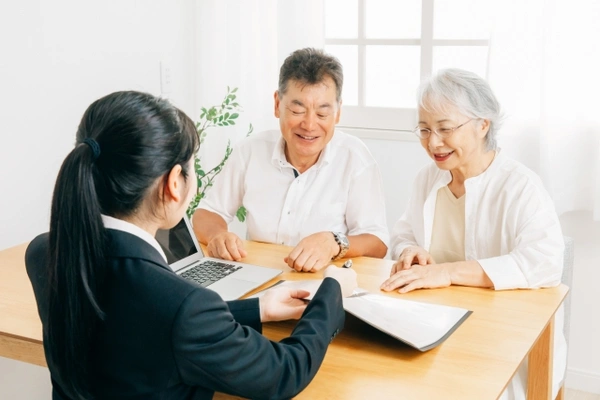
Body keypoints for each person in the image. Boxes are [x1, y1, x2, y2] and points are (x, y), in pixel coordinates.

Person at [25, 91, 357, 400]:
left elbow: (145, 324)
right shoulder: (182, 304)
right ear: (173, 184)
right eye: (192, 167)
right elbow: (284, 372)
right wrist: (331, 293)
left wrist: (258, 308)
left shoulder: (45, 253)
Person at [380, 69, 566, 399]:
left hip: (504, 338)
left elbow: (546, 263)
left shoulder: (520, 187)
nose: (433, 142)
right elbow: (402, 233)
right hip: (434, 325)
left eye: (445, 129)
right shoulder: (427, 179)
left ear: (483, 125)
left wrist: (447, 273)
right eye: (424, 129)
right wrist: (409, 250)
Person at [193, 48, 389, 272]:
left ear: (337, 112)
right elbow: (207, 213)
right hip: (257, 279)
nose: (309, 124)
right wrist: (219, 235)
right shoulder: (250, 151)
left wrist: (334, 242)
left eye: (322, 113)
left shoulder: (355, 159)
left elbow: (378, 243)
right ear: (277, 104)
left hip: (322, 286)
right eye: (297, 110)